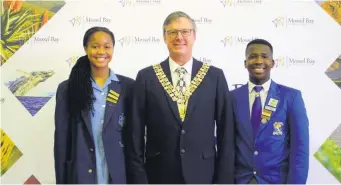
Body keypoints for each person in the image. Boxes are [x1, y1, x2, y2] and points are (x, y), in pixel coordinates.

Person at [125, 11, 235, 184]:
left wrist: (224, 180)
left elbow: (226, 133)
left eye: (185, 31)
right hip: (159, 174)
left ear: (194, 36)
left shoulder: (215, 77)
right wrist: (139, 179)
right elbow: (135, 134)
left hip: (204, 174)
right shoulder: (147, 77)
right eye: (173, 32)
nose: (179, 37)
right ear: (164, 37)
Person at [54, 26, 134, 184]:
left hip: (118, 174)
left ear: (113, 49)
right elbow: (61, 141)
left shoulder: (128, 87)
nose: (101, 51)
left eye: (106, 46)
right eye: (94, 46)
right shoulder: (68, 88)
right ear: (85, 48)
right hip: (80, 174)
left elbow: (134, 138)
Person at [232, 39, 309, 184]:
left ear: (273, 63)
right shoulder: (231, 98)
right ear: (245, 63)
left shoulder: (290, 97)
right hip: (241, 180)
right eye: (253, 56)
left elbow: (300, 149)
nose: (259, 61)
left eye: (264, 56)